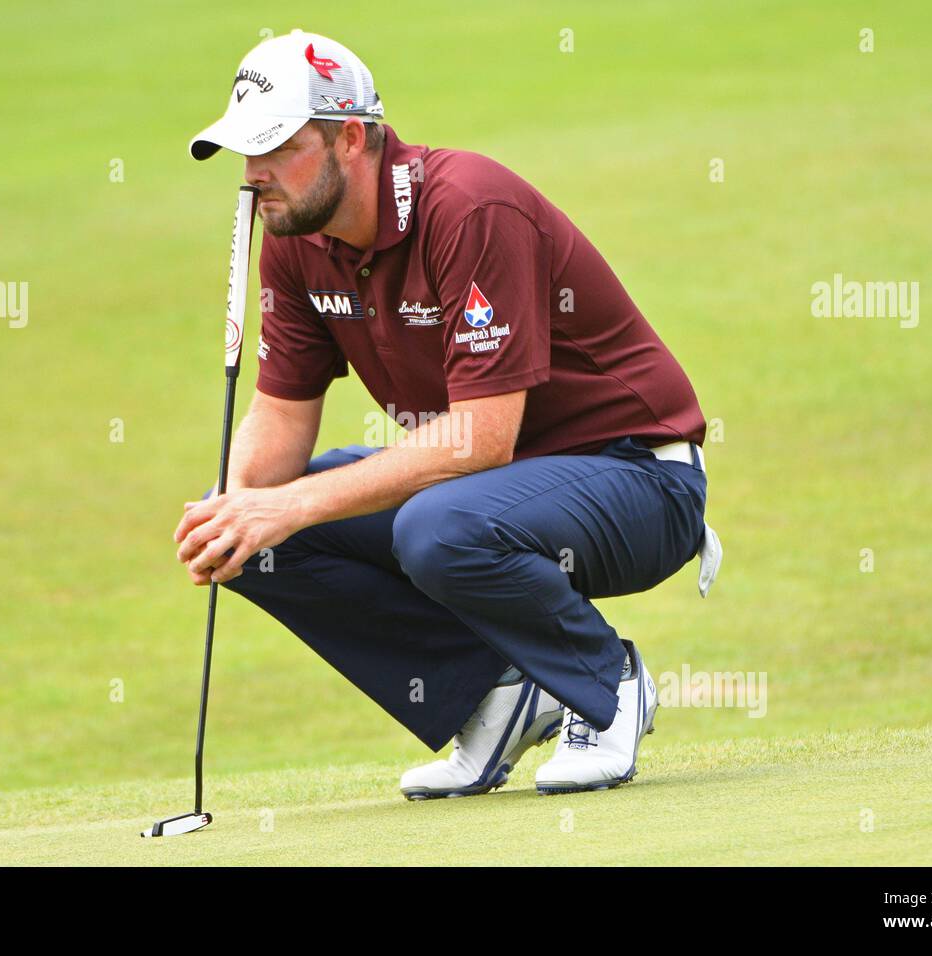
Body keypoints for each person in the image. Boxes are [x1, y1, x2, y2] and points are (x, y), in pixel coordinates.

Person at [175, 30, 722, 798]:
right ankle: (494, 695)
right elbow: (281, 413)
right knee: (262, 534)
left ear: (352, 139)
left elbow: (481, 439)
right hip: (491, 495)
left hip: (638, 479)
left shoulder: (469, 205)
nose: (253, 176)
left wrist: (285, 505)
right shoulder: (297, 239)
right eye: (244, 152)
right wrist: (237, 514)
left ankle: (607, 683)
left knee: (431, 528)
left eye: (276, 148)